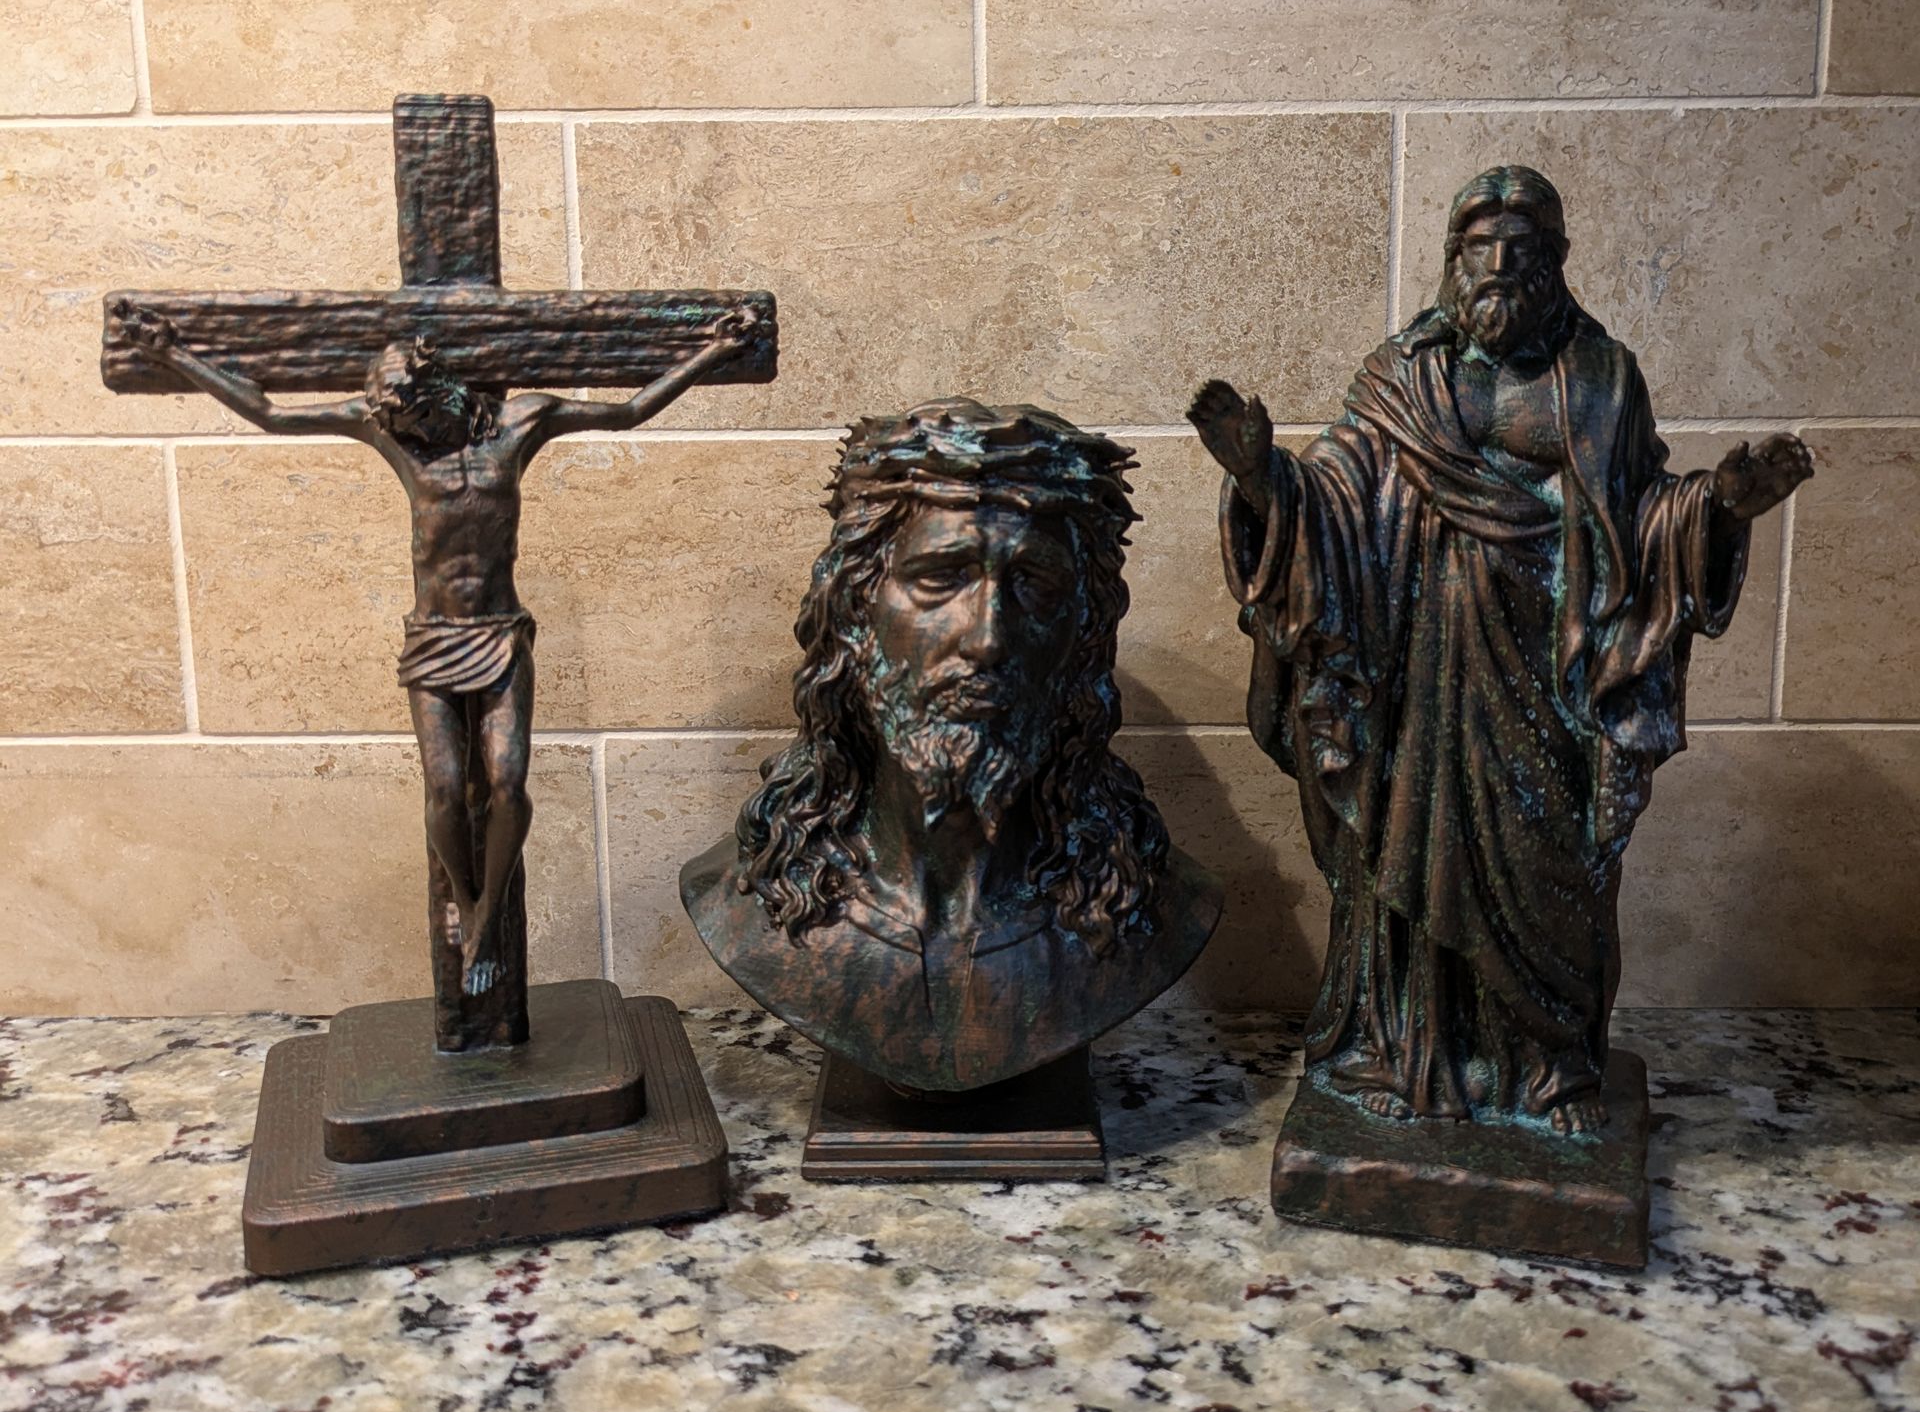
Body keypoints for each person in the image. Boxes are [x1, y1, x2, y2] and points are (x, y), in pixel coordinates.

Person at [1189, 166, 1812, 1134]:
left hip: (1549, 674)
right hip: (1417, 679)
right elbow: (1334, 499)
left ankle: (1549, 1070)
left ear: (1554, 265)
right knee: (1407, 866)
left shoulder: (1601, 379)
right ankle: (1405, 1053)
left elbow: (1643, 515)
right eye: (1480, 248)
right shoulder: (1402, 379)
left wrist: (1719, 507)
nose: (1499, 267)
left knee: (1550, 874)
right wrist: (1264, 478)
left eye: (1521, 250)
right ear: (1454, 261)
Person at [127, 311, 749, 1009]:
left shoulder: (521, 424)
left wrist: (713, 350)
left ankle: (487, 916)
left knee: (508, 784)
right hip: (432, 638)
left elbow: (629, 411)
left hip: (500, 633)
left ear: (441, 387)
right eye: (398, 421)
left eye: (417, 415)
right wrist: (175, 356)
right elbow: (271, 414)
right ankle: (465, 898)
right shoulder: (390, 433)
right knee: (447, 789)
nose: (409, 431)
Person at [682, 399, 1219, 1093]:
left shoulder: (1146, 903)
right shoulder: (750, 893)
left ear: (1084, 632)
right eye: (941, 578)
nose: (987, 638)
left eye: (1034, 585)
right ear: (855, 613)